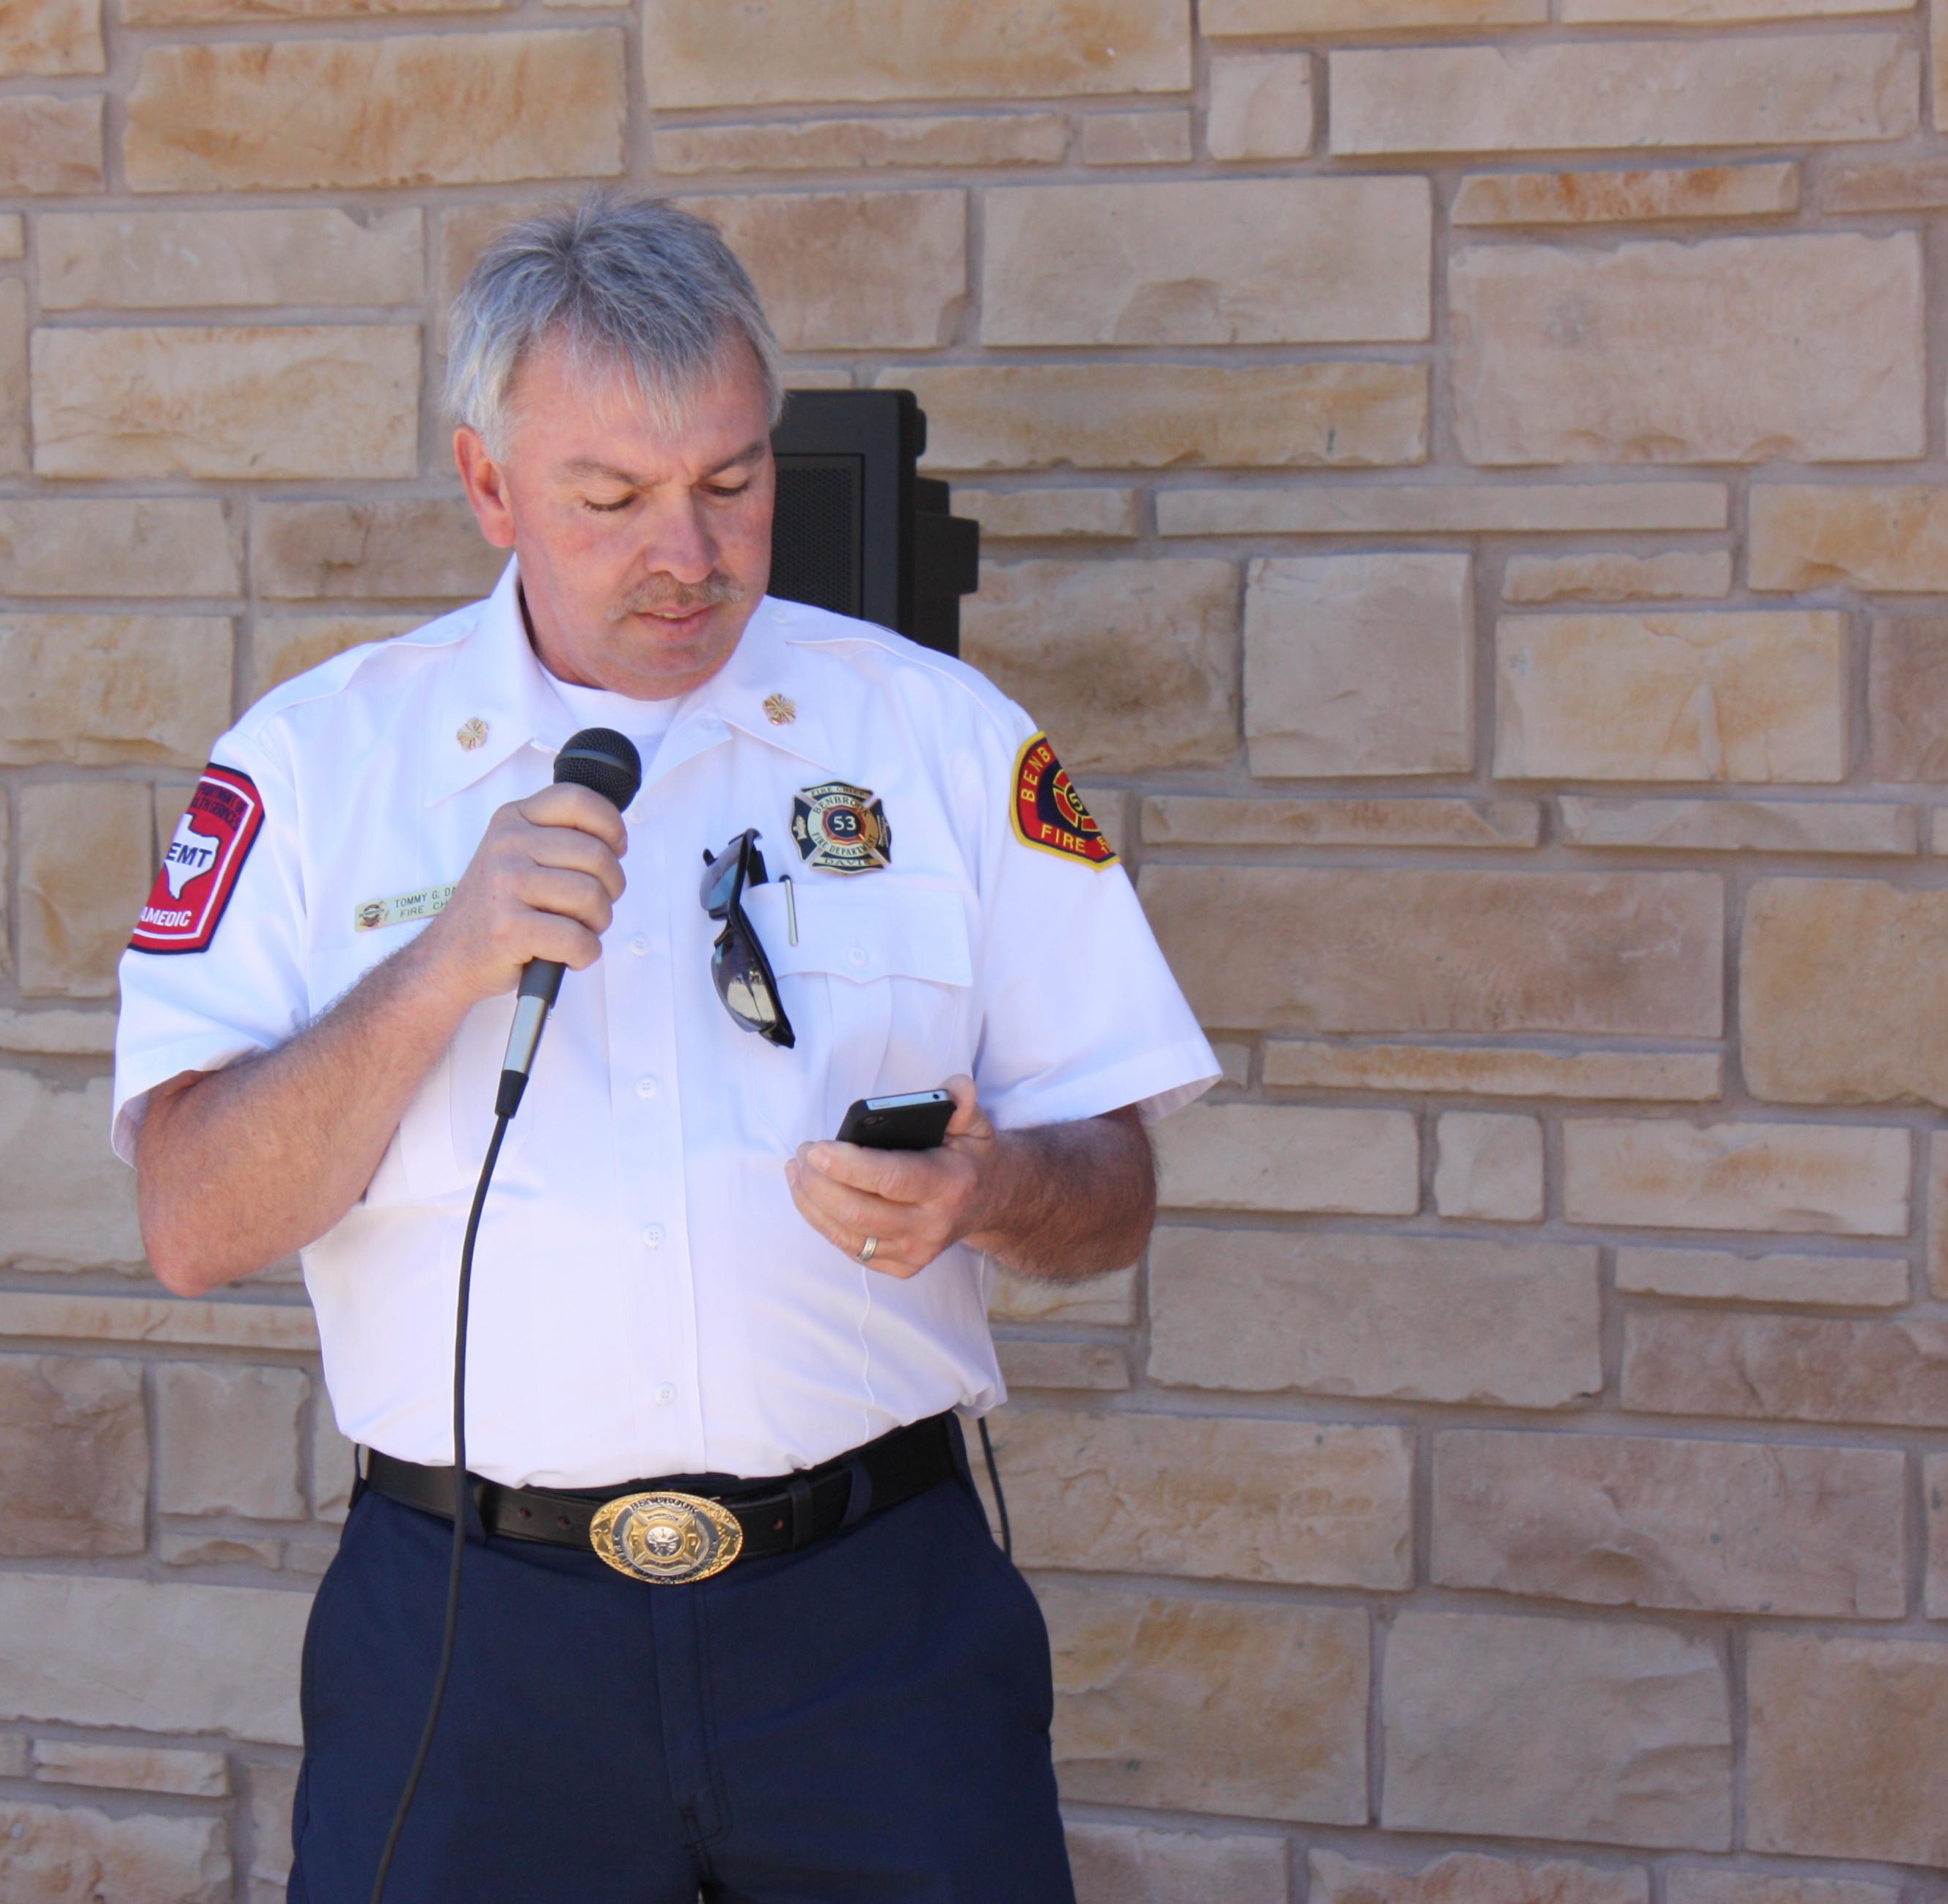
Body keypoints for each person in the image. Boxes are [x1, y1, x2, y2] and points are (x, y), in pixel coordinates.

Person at [113, 194, 1219, 1904]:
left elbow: (1117, 1188)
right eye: (610, 498)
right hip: (480, 1642)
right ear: (487, 484)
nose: (685, 556)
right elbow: (188, 1219)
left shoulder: (934, 738)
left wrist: (991, 1187)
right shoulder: (319, 768)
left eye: (728, 483)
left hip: (874, 1636)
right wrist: (435, 972)